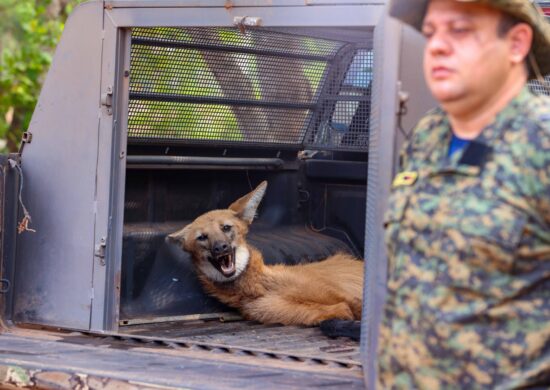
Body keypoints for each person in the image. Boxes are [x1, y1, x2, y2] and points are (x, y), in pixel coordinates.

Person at [379, 0, 550, 388]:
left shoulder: (541, 142)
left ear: (517, 43)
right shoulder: (427, 138)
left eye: (459, 29)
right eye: (431, 32)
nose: (436, 46)